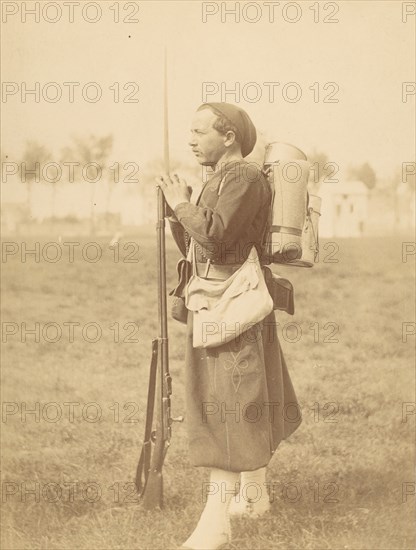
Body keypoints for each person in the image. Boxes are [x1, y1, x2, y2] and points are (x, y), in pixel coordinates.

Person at [156, 102, 302, 550]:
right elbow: (200, 245)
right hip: (222, 304)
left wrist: (181, 203)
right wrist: (177, 208)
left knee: (228, 404)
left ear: (229, 137)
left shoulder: (241, 177)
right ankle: (253, 498)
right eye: (190, 131)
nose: (191, 139)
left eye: (200, 131)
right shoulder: (218, 179)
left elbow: (217, 237)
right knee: (243, 398)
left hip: (232, 309)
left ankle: (216, 523)